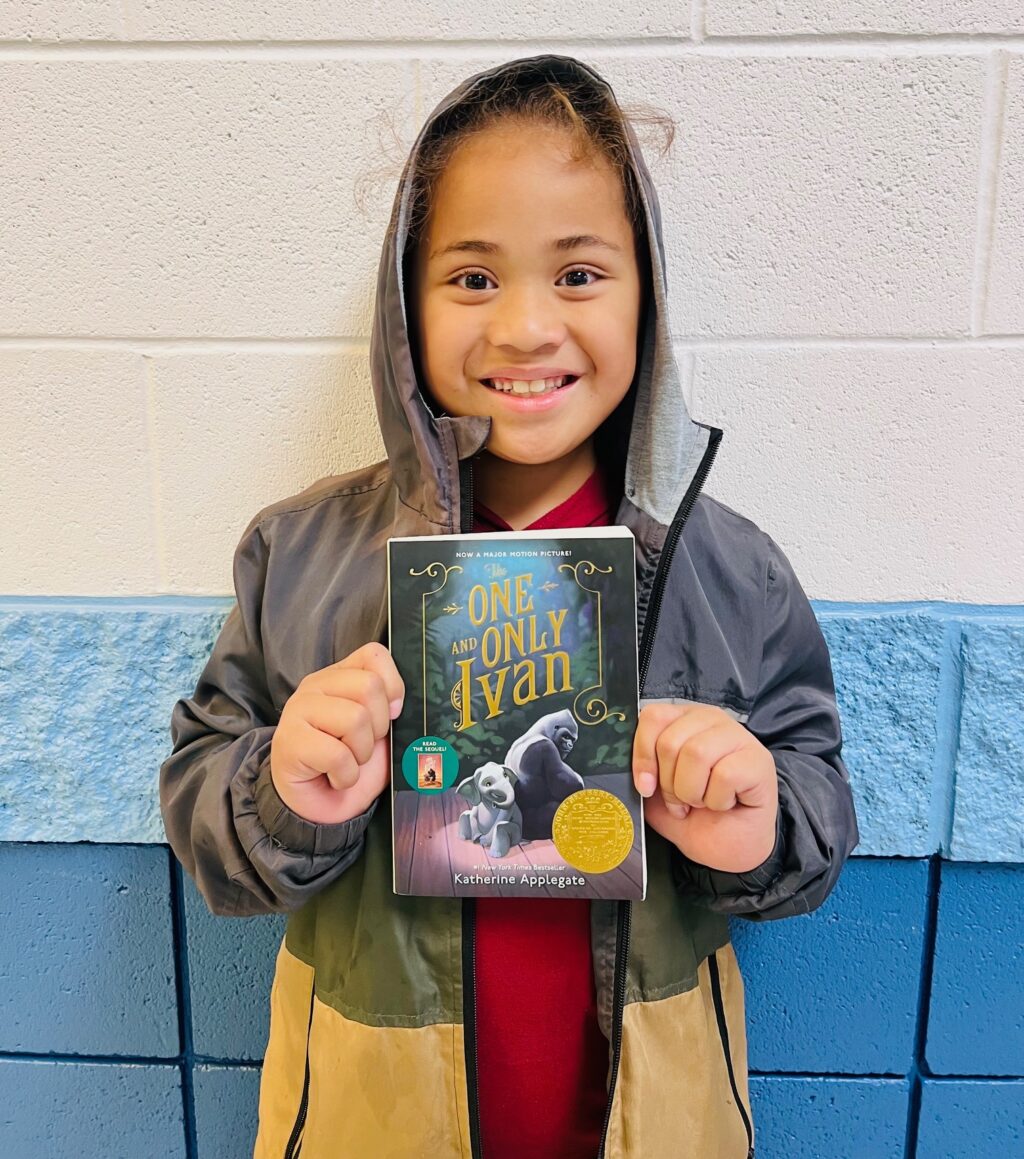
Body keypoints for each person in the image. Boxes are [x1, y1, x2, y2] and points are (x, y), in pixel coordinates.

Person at [159, 54, 859, 1159]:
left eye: (579, 274)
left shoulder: (733, 574)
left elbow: (817, 803)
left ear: (647, 296)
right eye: (474, 279)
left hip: (652, 1119)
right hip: (371, 1116)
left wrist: (757, 820)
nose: (527, 327)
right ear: (408, 303)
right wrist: (282, 789)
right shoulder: (299, 556)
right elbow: (203, 802)